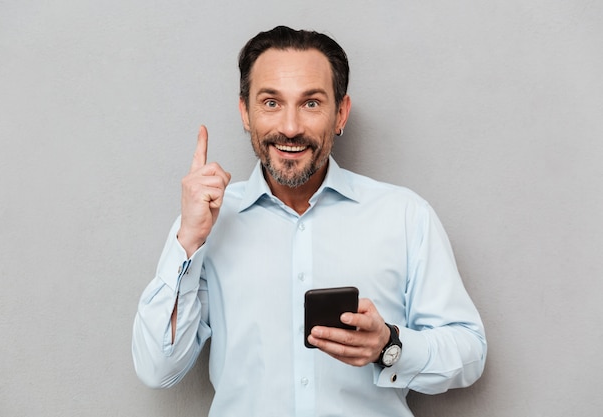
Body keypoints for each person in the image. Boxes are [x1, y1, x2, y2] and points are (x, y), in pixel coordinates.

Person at [132, 26, 486, 417]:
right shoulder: (205, 222)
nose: (289, 127)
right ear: (244, 113)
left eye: (311, 104)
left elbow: (469, 353)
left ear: (341, 114)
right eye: (270, 103)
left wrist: (389, 347)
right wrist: (189, 240)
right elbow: (157, 368)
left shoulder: (404, 216)